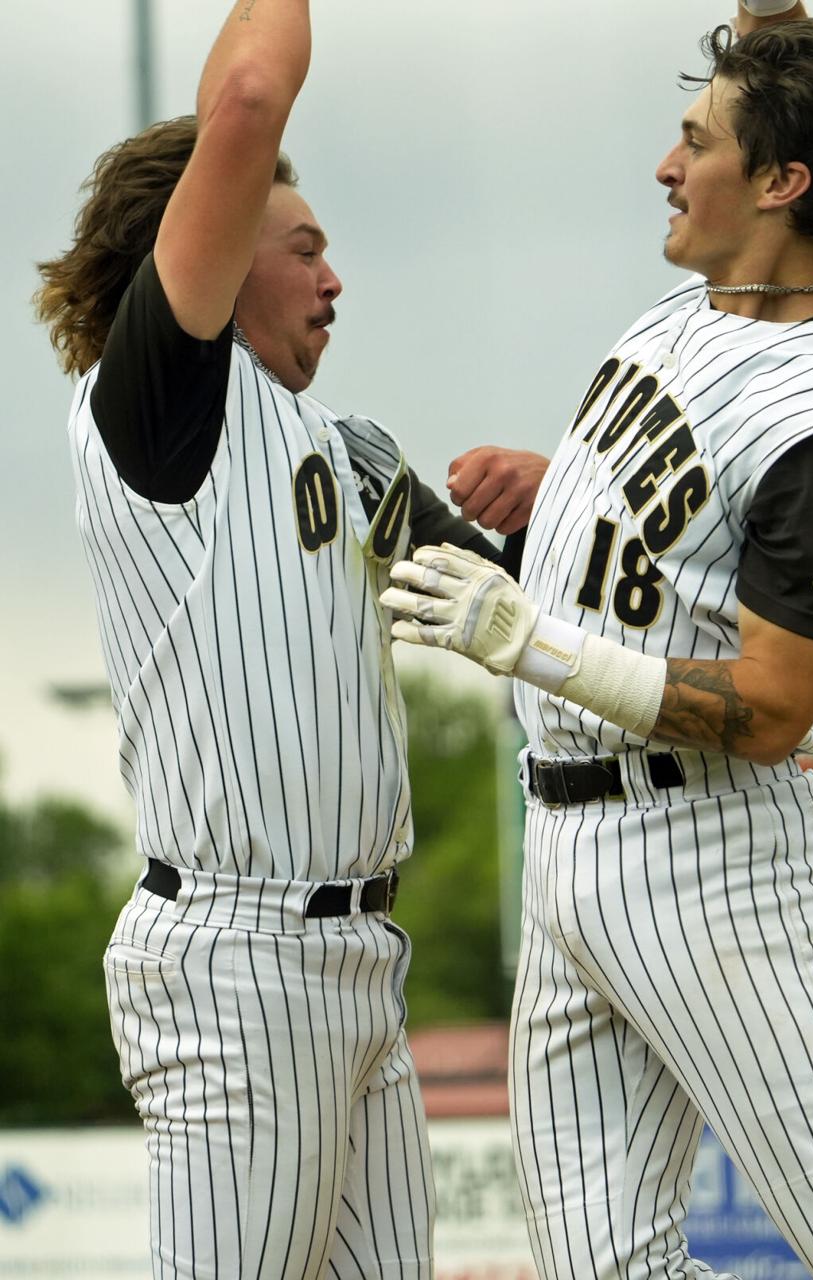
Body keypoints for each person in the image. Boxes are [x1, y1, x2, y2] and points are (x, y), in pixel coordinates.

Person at [382, 2, 813, 1277]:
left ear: (781, 182)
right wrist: (567, 483)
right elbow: (696, 512)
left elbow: (775, 705)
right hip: (566, 842)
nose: (667, 165)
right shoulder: (715, 298)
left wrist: (527, 640)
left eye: (697, 141)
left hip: (711, 859)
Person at [34, 2, 542, 1275]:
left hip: (359, 958)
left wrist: (558, 501)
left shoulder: (344, 443)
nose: (333, 276)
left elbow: (536, 606)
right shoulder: (157, 404)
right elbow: (249, 98)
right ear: (203, 253)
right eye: (301, 244)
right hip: (235, 956)